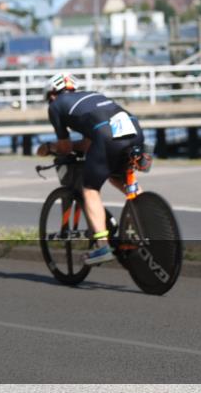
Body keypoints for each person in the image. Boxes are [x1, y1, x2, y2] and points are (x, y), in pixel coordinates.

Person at [36, 72, 144, 265]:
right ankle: (147, 219)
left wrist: (48, 148)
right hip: (135, 130)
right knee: (119, 177)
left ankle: (103, 247)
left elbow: (65, 147)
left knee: (90, 190)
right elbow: (88, 142)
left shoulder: (56, 106)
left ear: (52, 94)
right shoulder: (92, 96)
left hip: (106, 137)